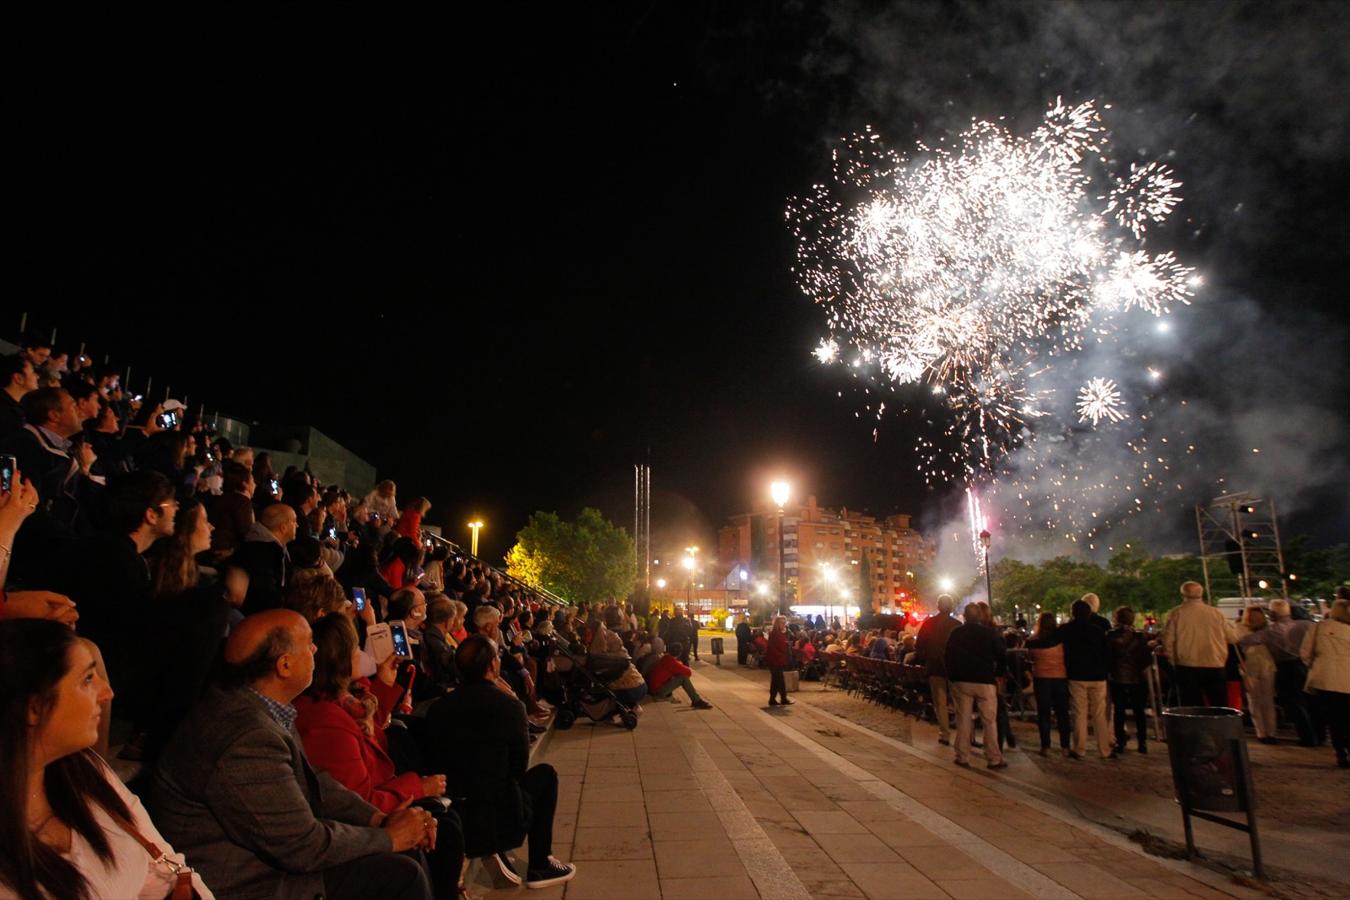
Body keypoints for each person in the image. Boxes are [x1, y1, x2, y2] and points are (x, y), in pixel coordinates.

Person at [151, 610, 435, 900]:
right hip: (248, 883)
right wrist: (389, 837)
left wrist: (378, 819)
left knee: (408, 856)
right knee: (401, 876)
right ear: (284, 665)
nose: (315, 649)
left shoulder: (258, 706)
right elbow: (301, 846)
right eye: (309, 643)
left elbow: (315, 782)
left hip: (269, 862)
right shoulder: (245, 737)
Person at [0, 619, 214, 899]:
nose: (106, 692)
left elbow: (164, 866)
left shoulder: (84, 771)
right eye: (87, 679)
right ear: (34, 707)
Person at [295, 615, 466, 897]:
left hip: (382, 796)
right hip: (364, 816)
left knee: (446, 822)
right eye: (354, 650)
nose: (360, 656)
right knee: (444, 832)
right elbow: (358, 797)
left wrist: (384, 685)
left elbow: (369, 737)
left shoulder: (345, 702)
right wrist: (418, 789)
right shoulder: (326, 719)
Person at [425, 635, 577, 889]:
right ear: (492, 666)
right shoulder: (508, 706)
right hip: (502, 819)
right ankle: (541, 863)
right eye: (496, 657)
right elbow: (519, 767)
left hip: (456, 818)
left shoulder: (439, 709)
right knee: (546, 775)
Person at [943, 602, 1006, 769]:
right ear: (979, 616)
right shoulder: (989, 633)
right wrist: (999, 674)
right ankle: (993, 757)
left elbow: (948, 656)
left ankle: (962, 756)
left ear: (964, 616)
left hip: (962, 681)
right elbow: (1001, 654)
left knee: (963, 719)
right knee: (989, 721)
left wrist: (952, 677)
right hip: (985, 680)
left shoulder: (956, 633)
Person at [1161, 581, 1237, 707]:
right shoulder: (1216, 613)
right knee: (1218, 705)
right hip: (1214, 663)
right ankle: (1217, 726)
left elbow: (1168, 640)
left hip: (1186, 664)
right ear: (1202, 594)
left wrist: (1173, 659)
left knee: (1192, 706)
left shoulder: (1177, 613)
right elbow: (1232, 637)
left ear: (1182, 594)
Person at [1058, 600, 1114, 760]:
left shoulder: (1066, 630)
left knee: (1079, 713)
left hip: (1076, 676)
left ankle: (1080, 748)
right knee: (1099, 714)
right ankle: (1104, 749)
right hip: (1097, 676)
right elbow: (1106, 653)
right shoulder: (1097, 631)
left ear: (1073, 613)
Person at [1301, 597, 1350, 768]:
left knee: (1334, 719)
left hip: (1324, 678)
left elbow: (1305, 652)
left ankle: (1340, 752)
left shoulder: (1319, 627)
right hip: (1347, 679)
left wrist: (1316, 666)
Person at [1263, 598, 1317, 746]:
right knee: (1311, 700)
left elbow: (1273, 651)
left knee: (1296, 702)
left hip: (1287, 667)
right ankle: (1319, 733)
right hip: (1307, 665)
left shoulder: (1272, 630)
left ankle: (1307, 736)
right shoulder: (1308, 625)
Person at [915, 594, 961, 745]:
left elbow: (919, 645)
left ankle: (945, 734)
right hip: (954, 667)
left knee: (940, 702)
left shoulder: (929, 624)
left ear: (938, 606)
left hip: (935, 666)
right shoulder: (956, 624)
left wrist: (925, 657)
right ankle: (965, 733)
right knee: (959, 702)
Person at [1025, 612, 1072, 756]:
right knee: (1062, 713)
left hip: (1041, 677)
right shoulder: (1061, 640)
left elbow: (1029, 657)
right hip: (1060, 677)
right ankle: (1065, 746)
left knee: (1043, 713)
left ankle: (1046, 746)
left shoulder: (1034, 641)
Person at [1106, 607, 1151, 753]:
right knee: (1139, 712)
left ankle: (1120, 742)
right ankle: (1142, 742)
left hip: (1117, 677)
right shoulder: (1140, 637)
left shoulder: (1110, 636)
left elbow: (1107, 657)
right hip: (1137, 677)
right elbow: (1146, 659)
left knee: (1119, 711)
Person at [1236, 605, 1278, 743]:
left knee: (1254, 700)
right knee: (1268, 700)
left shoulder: (1240, 630)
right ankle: (1271, 732)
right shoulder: (1268, 631)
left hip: (1249, 666)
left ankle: (1261, 732)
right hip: (1267, 665)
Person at [647, 641, 714, 708]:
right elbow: (688, 672)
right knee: (683, 678)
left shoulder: (665, 658)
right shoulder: (670, 661)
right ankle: (696, 701)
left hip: (653, 688)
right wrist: (680, 666)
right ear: (680, 653)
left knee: (676, 676)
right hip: (657, 691)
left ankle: (671, 696)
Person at [765, 615, 792, 706]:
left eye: (785, 623)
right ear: (777, 624)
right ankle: (783, 698)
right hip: (775, 660)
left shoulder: (778, 633)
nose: (784, 625)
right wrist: (785, 645)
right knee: (780, 680)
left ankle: (772, 699)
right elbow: (776, 647)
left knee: (775, 681)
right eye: (782, 623)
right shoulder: (776, 634)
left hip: (777, 660)